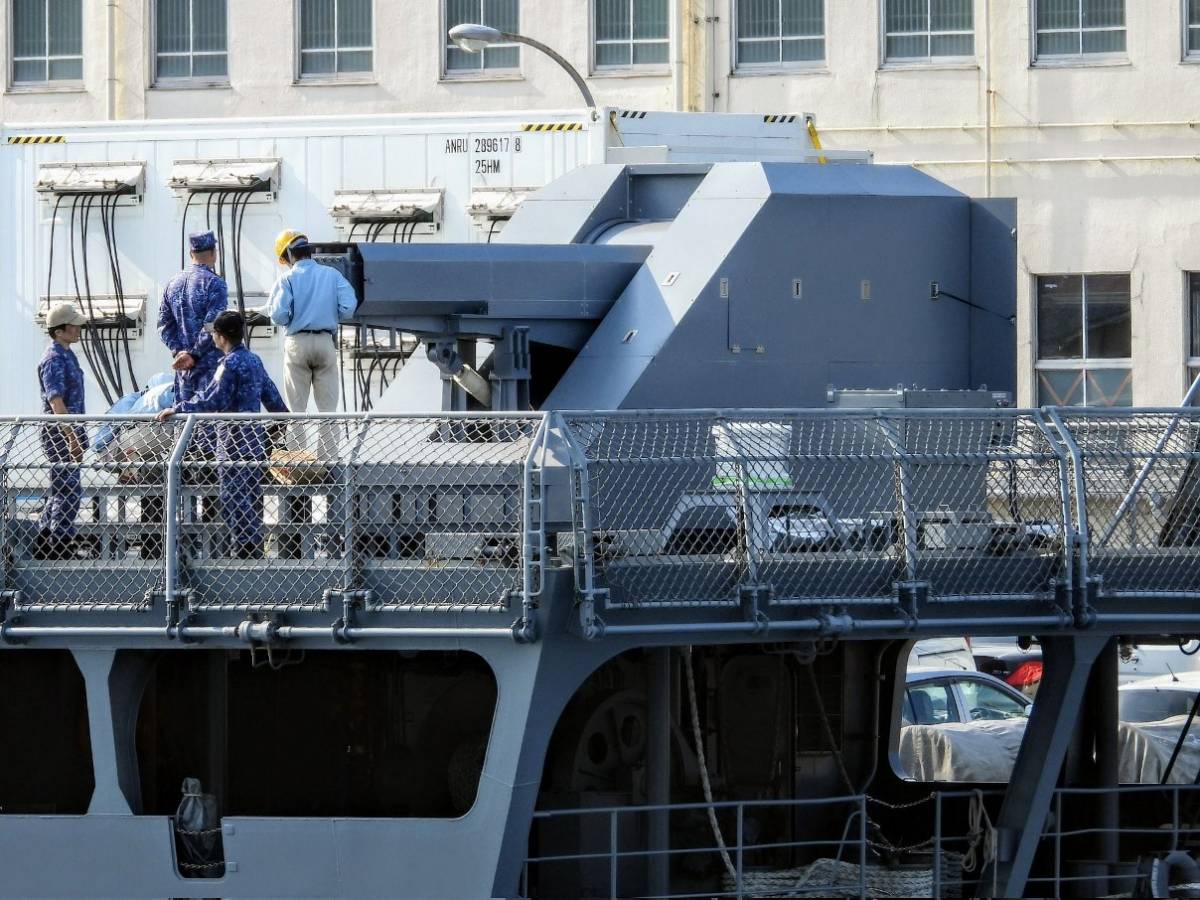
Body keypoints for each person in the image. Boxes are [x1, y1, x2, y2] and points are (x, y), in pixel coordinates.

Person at [157, 311, 288, 560]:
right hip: (255, 442)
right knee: (250, 496)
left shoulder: (228, 364)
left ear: (221, 336)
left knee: (232, 497)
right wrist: (283, 417)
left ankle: (247, 549)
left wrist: (178, 408)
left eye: (214, 333)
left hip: (233, 442)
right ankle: (252, 546)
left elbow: (213, 398)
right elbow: (270, 393)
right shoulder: (254, 360)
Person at [265, 228, 357, 459]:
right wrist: (329, 314)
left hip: (297, 343)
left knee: (297, 409)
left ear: (287, 256)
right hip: (325, 341)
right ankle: (328, 461)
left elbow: (277, 315)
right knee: (328, 410)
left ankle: (298, 462)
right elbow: (348, 307)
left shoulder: (287, 279)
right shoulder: (332, 275)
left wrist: (294, 317)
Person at [35, 303, 89, 560]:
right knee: (68, 491)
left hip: (71, 431)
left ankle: (46, 539)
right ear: (60, 330)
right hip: (60, 434)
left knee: (61, 489)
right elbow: (56, 402)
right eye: (73, 324)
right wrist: (71, 438)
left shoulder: (67, 354)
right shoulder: (54, 358)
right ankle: (60, 543)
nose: (78, 328)